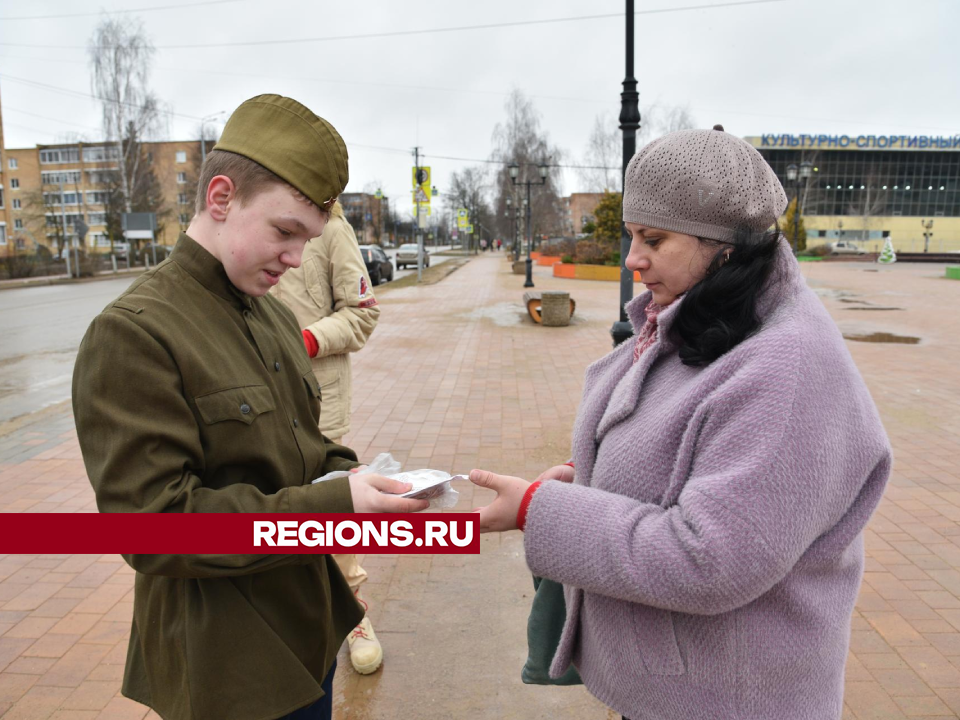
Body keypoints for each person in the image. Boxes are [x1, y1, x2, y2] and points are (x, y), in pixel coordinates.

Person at [468, 126, 892, 720]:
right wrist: (586, 477)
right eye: (631, 235)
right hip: (677, 691)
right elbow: (686, 451)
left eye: (653, 238)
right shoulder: (705, 314)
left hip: (732, 700)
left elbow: (710, 559)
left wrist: (540, 512)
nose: (632, 258)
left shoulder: (788, 369)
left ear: (723, 246)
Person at [72, 94, 428, 720]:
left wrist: (360, 478)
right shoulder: (134, 334)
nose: (296, 258)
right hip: (227, 669)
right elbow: (151, 528)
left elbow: (304, 448)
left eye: (308, 239)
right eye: (286, 232)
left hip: (306, 631)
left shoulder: (271, 314)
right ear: (220, 198)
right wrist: (332, 506)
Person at [270, 201, 385, 675]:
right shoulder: (248, 219)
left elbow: (362, 313)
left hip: (316, 398)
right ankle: (284, 616)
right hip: (253, 398)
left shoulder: (331, 227)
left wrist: (304, 341)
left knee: (329, 504)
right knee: (272, 504)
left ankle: (353, 613)